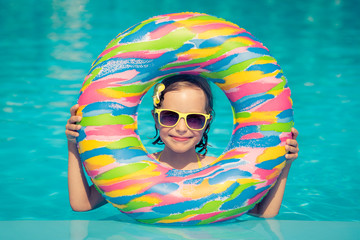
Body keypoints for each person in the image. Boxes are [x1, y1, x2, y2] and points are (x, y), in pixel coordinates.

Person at [66, 74, 299, 218]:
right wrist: (73, 146)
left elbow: (263, 213)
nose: (181, 128)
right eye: (169, 116)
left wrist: (283, 164)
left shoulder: (222, 172)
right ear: (155, 117)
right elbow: (81, 204)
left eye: (194, 119)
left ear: (207, 122)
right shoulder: (134, 170)